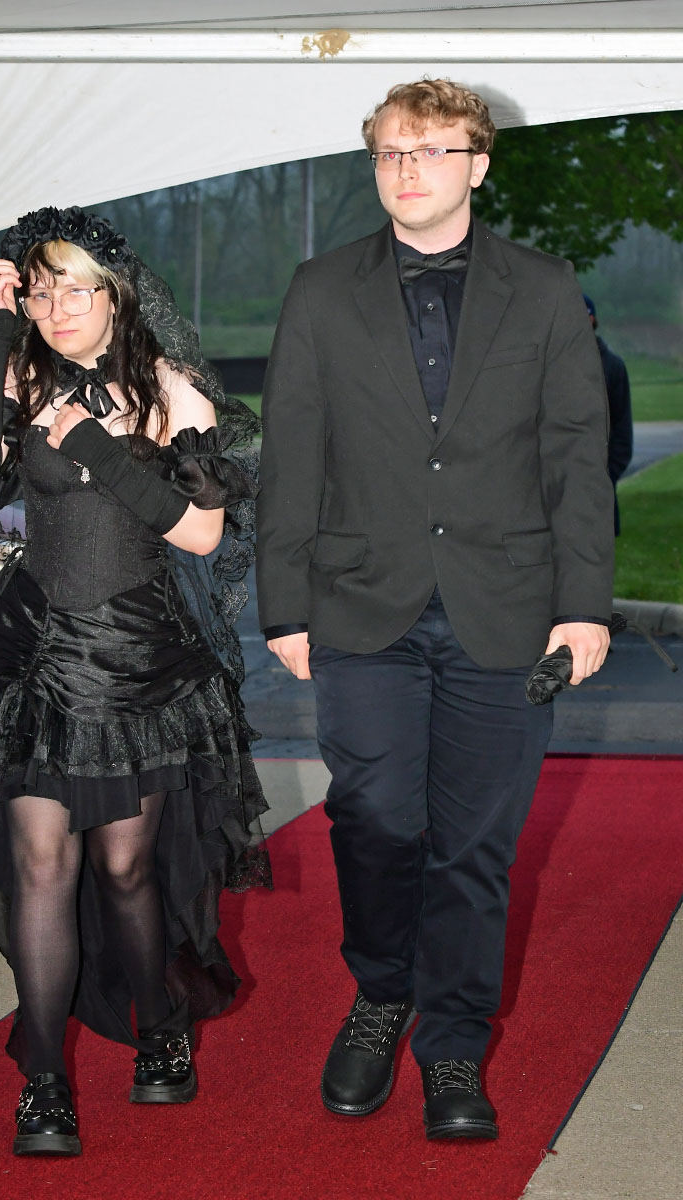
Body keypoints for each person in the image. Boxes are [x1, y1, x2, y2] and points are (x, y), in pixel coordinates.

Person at [256, 79, 613, 1141]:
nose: (405, 169)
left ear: (476, 163)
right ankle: (379, 994)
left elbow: (573, 460)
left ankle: (452, 1047)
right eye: (387, 153)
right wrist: (283, 605)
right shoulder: (320, 289)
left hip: (505, 613)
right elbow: (291, 457)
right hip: (360, 608)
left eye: (428, 149)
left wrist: (583, 606)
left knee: (473, 846)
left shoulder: (545, 289)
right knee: (373, 823)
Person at [0, 206, 269, 1157]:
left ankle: (158, 1028)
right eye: (41, 288)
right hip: (30, 662)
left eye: (76, 288)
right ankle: (45, 1083)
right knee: (39, 863)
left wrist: (97, 447)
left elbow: (200, 534)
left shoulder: (170, 388)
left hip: (138, 672)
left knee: (124, 869)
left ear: (116, 295)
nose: (57, 306)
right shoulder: (20, 371)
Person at [583, 294, 633, 534]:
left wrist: (609, 472)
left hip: (600, 479)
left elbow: (622, 428)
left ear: (593, 319)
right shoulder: (551, 364)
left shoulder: (613, 367)